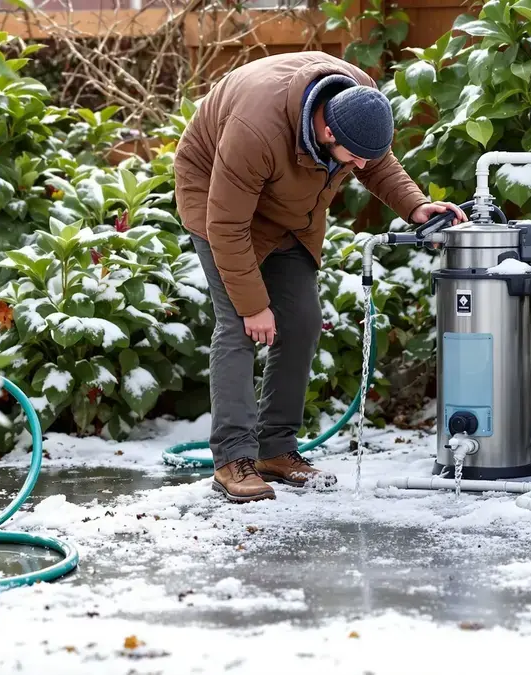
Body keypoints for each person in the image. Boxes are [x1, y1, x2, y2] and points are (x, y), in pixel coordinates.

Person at [173, 51, 467, 504]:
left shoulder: (357, 99)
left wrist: (415, 206)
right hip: (216, 195)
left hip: (289, 206)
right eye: (354, 158)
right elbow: (227, 225)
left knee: (302, 321)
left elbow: (377, 161)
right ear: (328, 130)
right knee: (239, 325)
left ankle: (276, 448)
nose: (361, 168)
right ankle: (232, 459)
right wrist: (254, 305)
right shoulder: (255, 128)